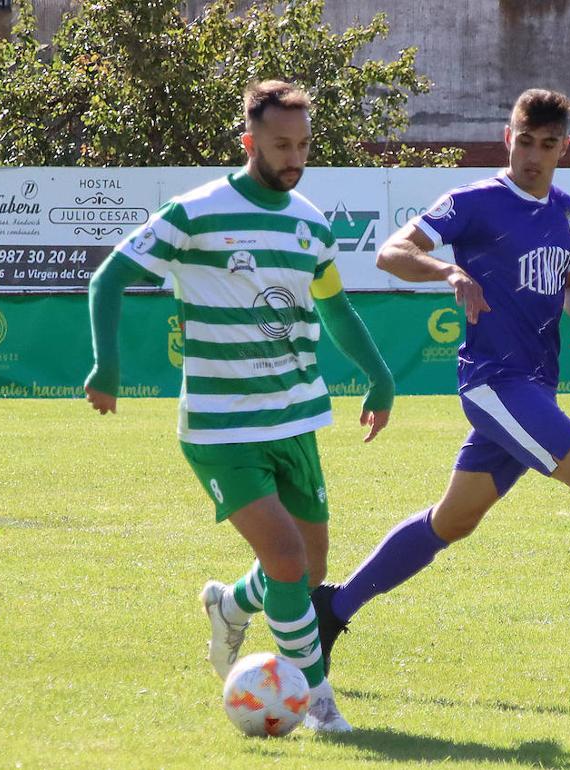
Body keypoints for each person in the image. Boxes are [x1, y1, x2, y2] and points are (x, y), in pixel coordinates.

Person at [310, 88, 570, 678]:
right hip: (494, 381)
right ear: (506, 137)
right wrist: (449, 270)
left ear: (566, 146)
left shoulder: (565, 210)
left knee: (452, 521)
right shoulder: (475, 201)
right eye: (524, 140)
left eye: (547, 144)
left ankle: (331, 610)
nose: (533, 155)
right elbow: (391, 252)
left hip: (534, 387)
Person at [83, 80, 394, 733]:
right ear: (250, 141)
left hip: (297, 419)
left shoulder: (311, 223)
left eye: (303, 144)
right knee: (286, 558)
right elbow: (110, 276)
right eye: (282, 144)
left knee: (309, 569)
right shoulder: (194, 213)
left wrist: (379, 376)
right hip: (222, 427)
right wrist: (107, 364)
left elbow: (334, 307)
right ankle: (314, 696)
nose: (294, 156)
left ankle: (230, 607)